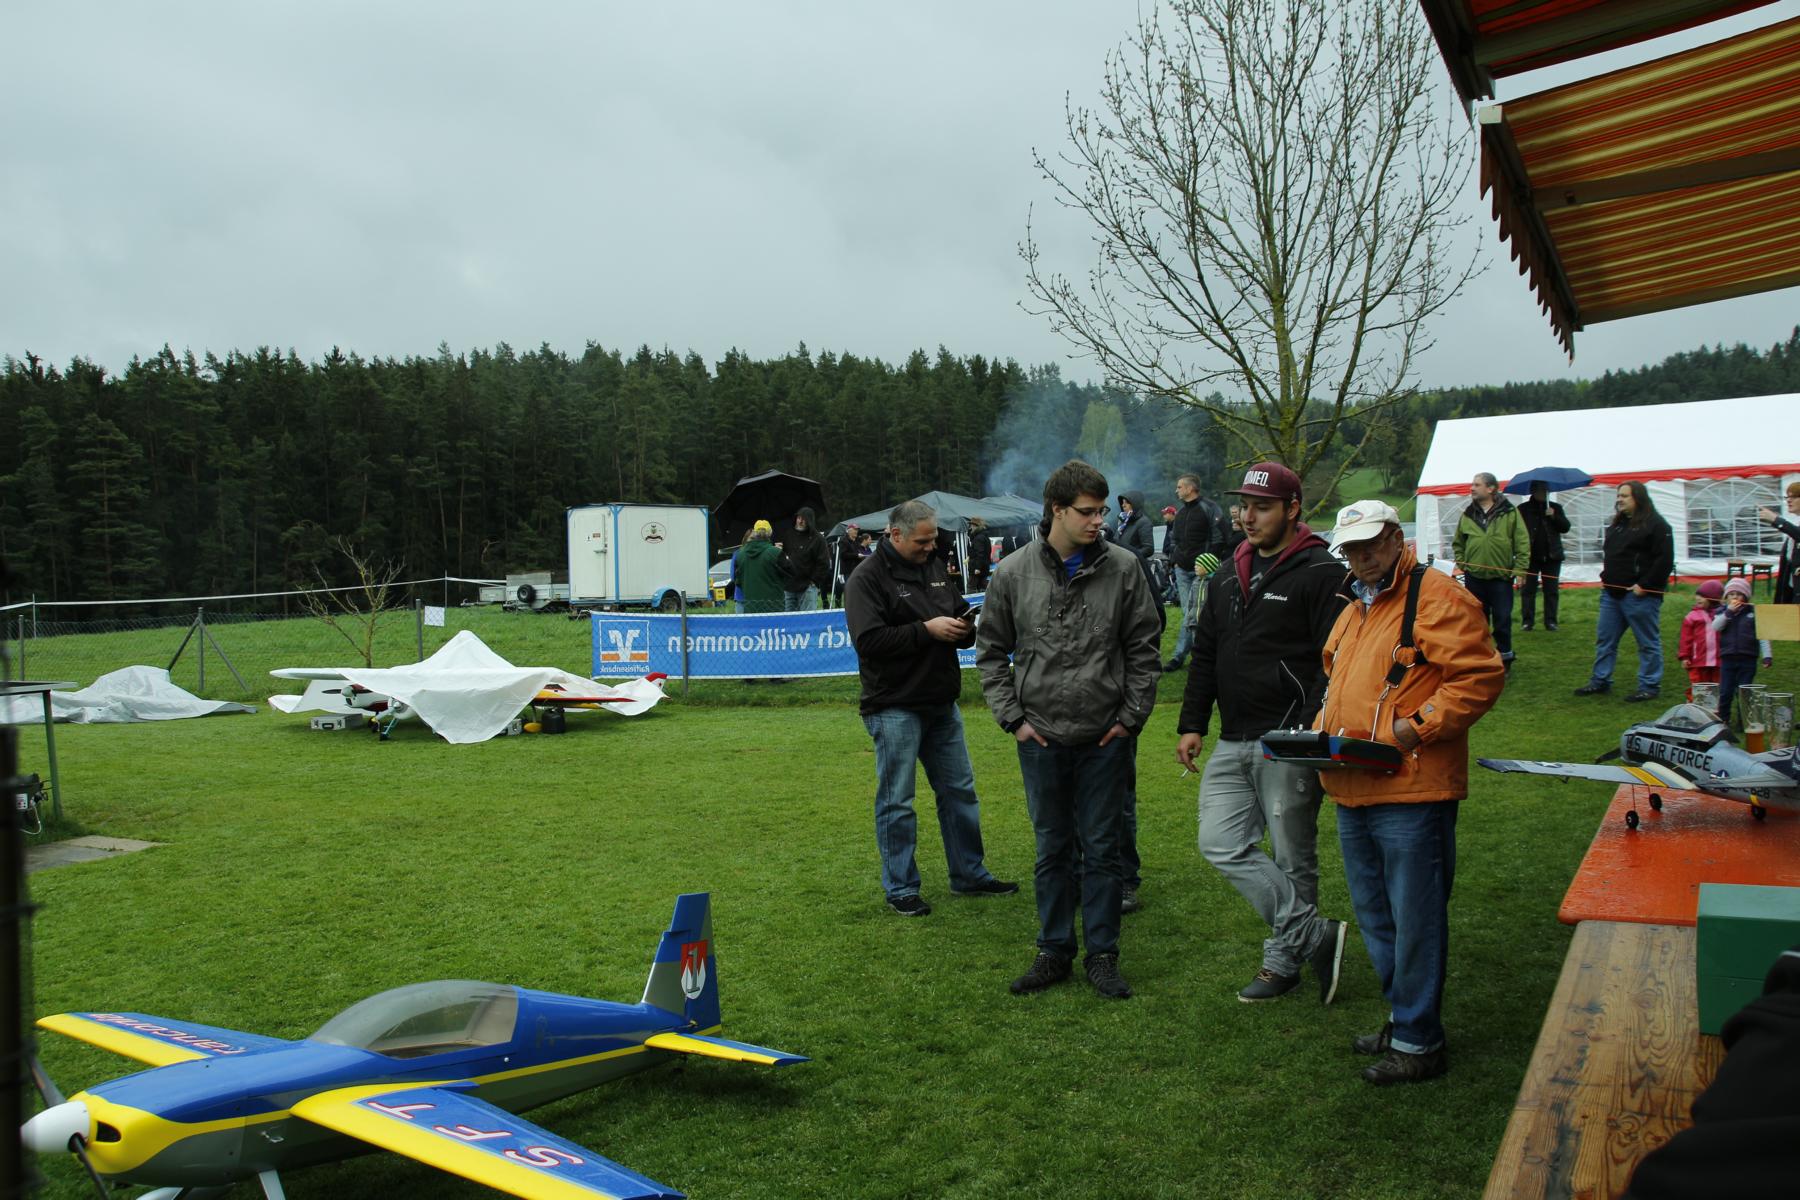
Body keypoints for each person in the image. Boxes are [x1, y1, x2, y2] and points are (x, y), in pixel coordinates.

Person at [1317, 500, 1505, 1084]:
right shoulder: (1356, 605)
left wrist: (1413, 728)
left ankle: (1419, 1040)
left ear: (1397, 538)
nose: (1362, 556)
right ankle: (1405, 1021)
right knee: (1377, 918)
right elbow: (1335, 678)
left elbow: (1479, 675)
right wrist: (1319, 733)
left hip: (1412, 786)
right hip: (1353, 781)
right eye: (1351, 548)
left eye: (1371, 543)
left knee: (1415, 919)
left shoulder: (1436, 594)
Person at [977, 460, 1162, 1000]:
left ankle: (1102, 956)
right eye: (1087, 511)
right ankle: (1053, 951)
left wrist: (1129, 719)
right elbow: (990, 652)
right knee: (1052, 849)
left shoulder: (1124, 567)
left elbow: (1144, 649)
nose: (1098, 520)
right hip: (1041, 738)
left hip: (1105, 738)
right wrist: (1014, 720)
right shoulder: (1013, 572)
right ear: (1056, 510)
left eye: (1102, 510)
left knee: (1103, 849)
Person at [1174, 461, 1350, 1004]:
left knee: (1294, 857)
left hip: (1289, 737)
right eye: (1244, 506)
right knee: (1219, 842)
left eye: (1262, 507)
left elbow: (1334, 663)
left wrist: (1307, 728)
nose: (1248, 517)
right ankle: (1314, 935)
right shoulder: (1229, 571)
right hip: (1233, 735)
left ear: (1292, 509)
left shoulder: (1322, 571)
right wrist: (1192, 722)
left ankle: (1282, 963)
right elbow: (1205, 653)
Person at [844, 499, 1018, 917]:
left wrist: (964, 627)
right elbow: (869, 642)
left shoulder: (934, 566)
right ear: (895, 534)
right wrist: (926, 631)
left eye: (933, 539)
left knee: (960, 792)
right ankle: (901, 887)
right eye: (922, 541)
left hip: (941, 700)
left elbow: (954, 616)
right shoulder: (865, 578)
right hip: (894, 704)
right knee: (898, 801)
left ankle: (969, 873)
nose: (930, 547)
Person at [1576, 482, 1675, 703]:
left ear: (1638, 498)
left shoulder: (1657, 525)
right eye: (1618, 495)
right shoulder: (1617, 525)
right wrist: (1606, 579)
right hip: (1611, 594)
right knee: (1605, 640)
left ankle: (1649, 685)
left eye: (1625, 496)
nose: (1619, 499)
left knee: (1647, 643)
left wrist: (1645, 585)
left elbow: (1664, 560)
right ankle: (1600, 680)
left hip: (1640, 596)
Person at [1451, 472, 1529, 670]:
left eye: (1477, 485)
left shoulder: (1509, 512)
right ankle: (1483, 661)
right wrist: (1463, 563)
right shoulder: (1468, 514)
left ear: (1491, 488)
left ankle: (1505, 660)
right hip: (1474, 578)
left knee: (1502, 621)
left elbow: (1522, 542)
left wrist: (1520, 569)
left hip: (1501, 578)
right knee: (1478, 623)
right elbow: (1458, 542)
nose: (1472, 488)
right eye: (1472, 484)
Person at [1164, 474, 1214, 672]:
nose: (1176, 490)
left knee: (1200, 614)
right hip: (1182, 570)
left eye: (1179, 487)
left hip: (1202, 571)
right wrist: (1175, 559)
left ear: (1190, 488)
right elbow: (1174, 539)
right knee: (1188, 613)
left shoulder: (1208, 509)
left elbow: (1218, 537)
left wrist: (1208, 563)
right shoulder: (1181, 514)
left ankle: (1194, 656)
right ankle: (1184, 656)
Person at [1715, 578, 1774, 728]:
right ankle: (1723, 718)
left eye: (1739, 594)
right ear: (1726, 597)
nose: (1735, 597)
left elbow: (1763, 636)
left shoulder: (1753, 613)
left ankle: (1744, 720)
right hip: (1728, 658)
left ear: (1746, 597)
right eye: (1731, 594)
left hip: (1748, 659)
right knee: (1725, 691)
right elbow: (1716, 627)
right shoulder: (1722, 612)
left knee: (1744, 691)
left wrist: (1767, 656)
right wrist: (1729, 612)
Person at [1517, 481, 1570, 631]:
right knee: (1528, 590)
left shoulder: (1555, 507)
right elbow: (1517, 531)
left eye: (1546, 490)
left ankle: (1551, 621)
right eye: (1541, 490)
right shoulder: (1523, 509)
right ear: (1534, 491)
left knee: (1551, 590)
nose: (1545, 493)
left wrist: (1554, 516)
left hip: (1552, 556)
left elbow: (1565, 527)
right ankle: (1527, 622)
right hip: (1530, 557)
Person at [1679, 580, 1724, 704]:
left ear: (1713, 598)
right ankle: (1694, 708)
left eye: (1703, 596)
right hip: (1698, 660)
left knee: (1717, 687)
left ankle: (1715, 711)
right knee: (1698, 686)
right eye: (1697, 595)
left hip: (1718, 661)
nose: (1698, 598)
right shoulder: (1692, 616)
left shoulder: (1723, 615)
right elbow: (1685, 638)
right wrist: (1685, 656)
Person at [778, 506, 829, 611]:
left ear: (810, 520)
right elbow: (782, 557)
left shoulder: (818, 539)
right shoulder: (788, 535)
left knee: (807, 618)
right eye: (799, 518)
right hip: (789, 585)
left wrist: (814, 581)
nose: (800, 521)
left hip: (808, 587)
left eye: (804, 519)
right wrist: (779, 551)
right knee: (788, 618)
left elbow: (824, 563)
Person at [1759, 480, 1800, 604]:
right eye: (1787, 497)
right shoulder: (1797, 524)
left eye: (1794, 497)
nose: (1788, 500)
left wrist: (1775, 520)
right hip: (1792, 589)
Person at [735, 521, 787, 613]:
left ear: (754, 533)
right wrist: (783, 555)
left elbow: (737, 581)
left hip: (751, 607)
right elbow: (790, 574)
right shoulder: (775, 552)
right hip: (774, 607)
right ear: (770, 533)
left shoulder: (740, 554)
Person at [828, 522, 862, 608]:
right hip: (847, 571)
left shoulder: (856, 541)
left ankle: (855, 606)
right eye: (854, 529)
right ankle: (847, 606)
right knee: (848, 590)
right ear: (849, 531)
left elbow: (858, 552)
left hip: (856, 570)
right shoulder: (843, 541)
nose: (856, 531)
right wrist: (857, 555)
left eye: (857, 530)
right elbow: (843, 555)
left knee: (856, 589)